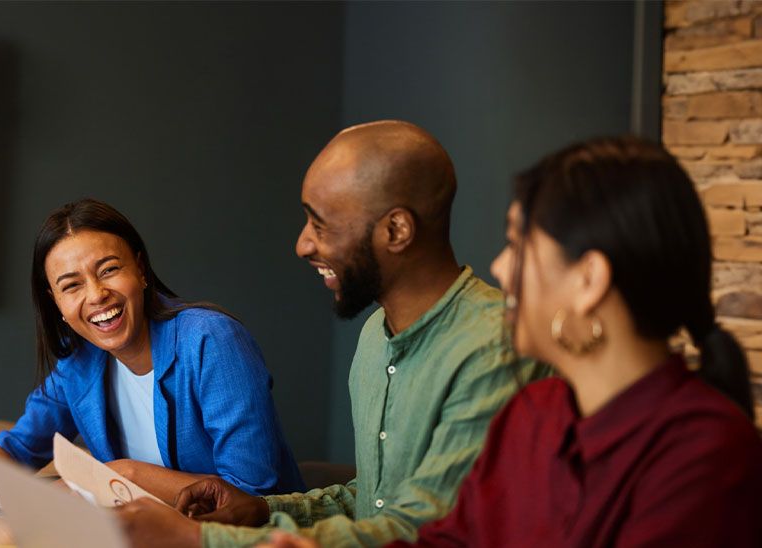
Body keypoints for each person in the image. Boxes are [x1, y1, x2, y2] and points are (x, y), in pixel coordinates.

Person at [260, 136, 762, 547]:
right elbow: (450, 541)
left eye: (520, 246)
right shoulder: (535, 414)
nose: (500, 267)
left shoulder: (704, 454)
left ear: (588, 281)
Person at [116, 121, 545, 547]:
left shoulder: (495, 349)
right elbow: (379, 500)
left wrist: (200, 538)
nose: (303, 245)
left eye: (320, 225)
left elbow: (421, 529)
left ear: (396, 231)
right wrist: (263, 509)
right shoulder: (376, 334)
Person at [0, 198, 305, 503]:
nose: (96, 295)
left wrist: (123, 474)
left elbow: (252, 495)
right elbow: (20, 448)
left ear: (141, 271)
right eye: (71, 285)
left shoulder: (210, 340)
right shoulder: (80, 363)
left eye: (110, 269)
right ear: (55, 301)